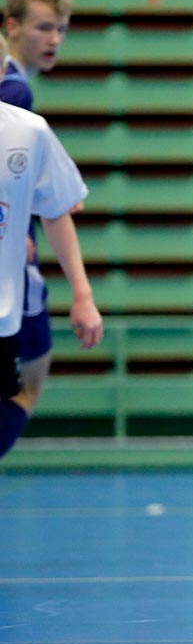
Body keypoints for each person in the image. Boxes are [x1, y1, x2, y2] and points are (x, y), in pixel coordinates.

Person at [0, 88, 103, 460]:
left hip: (3, 318)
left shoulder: (28, 132)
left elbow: (57, 208)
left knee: (20, 398)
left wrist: (83, 295)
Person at [3, 0, 80, 417]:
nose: (54, 39)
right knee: (26, 389)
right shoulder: (14, 90)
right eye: (43, 27)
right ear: (11, 26)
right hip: (12, 268)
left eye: (62, 29)